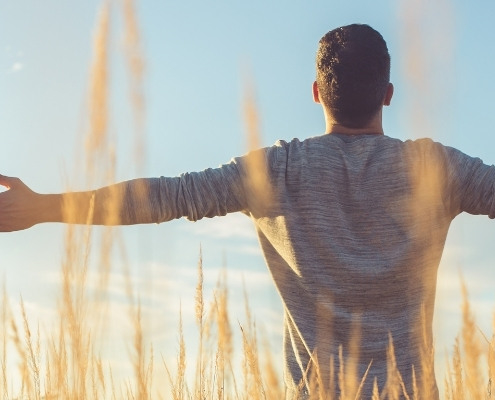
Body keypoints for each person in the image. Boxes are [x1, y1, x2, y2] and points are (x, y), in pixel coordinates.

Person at [1, 24, 494, 399]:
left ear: (317, 92)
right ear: (388, 94)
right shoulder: (436, 169)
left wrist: (44, 207)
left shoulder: (277, 170)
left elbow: (165, 197)